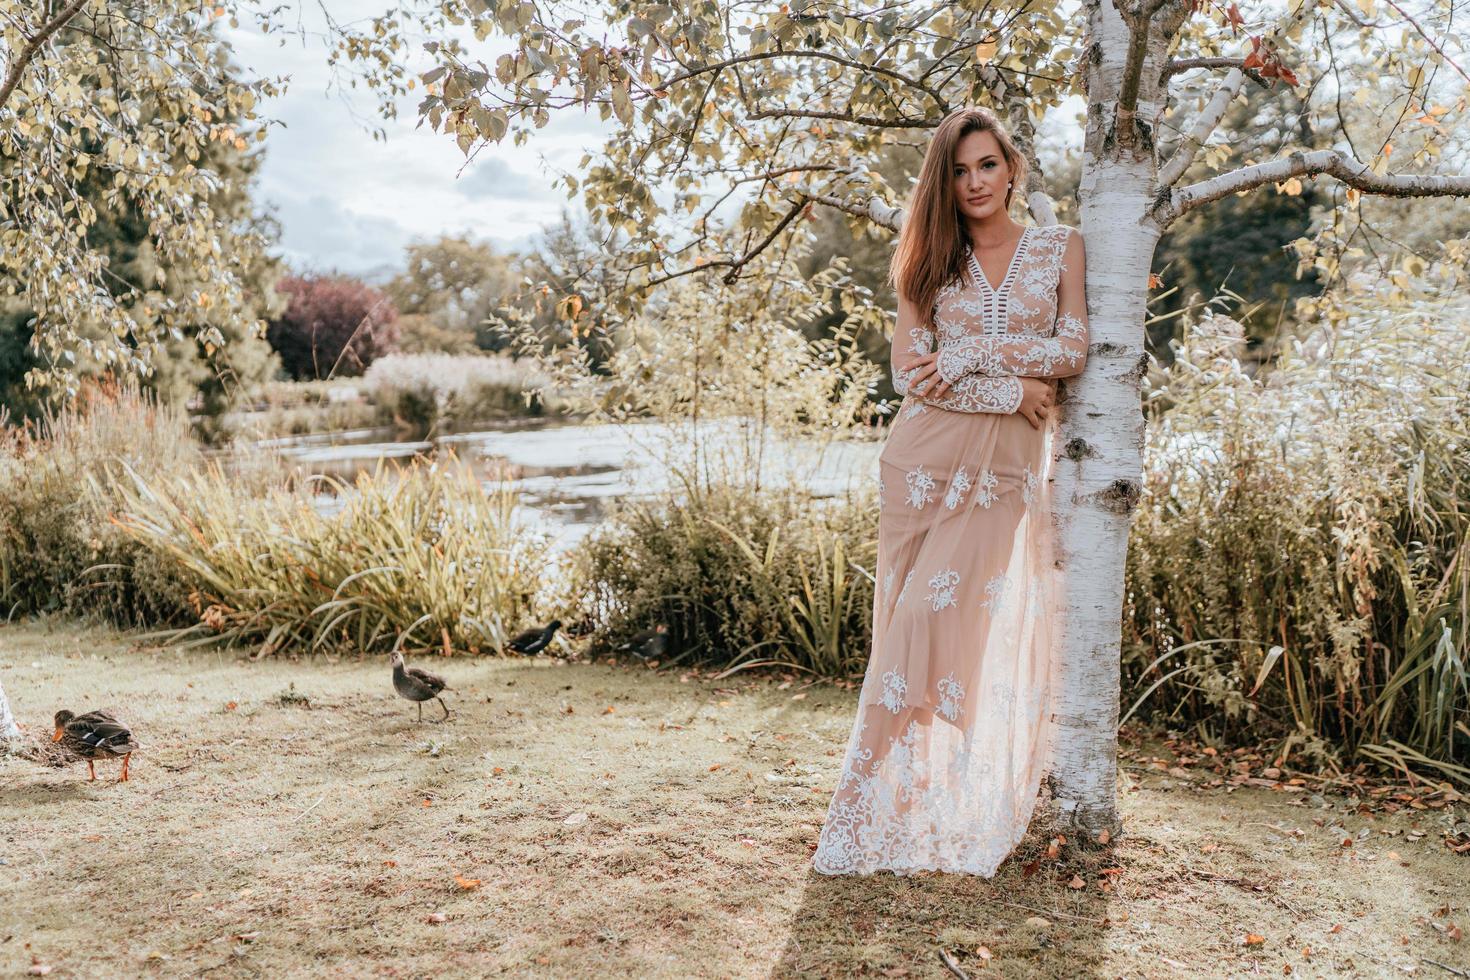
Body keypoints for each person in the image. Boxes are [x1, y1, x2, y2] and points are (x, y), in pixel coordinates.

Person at [812, 106, 1089, 876]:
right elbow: (911, 379)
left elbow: (1071, 348)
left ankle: (904, 804)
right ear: (945, 179)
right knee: (906, 635)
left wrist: (971, 355)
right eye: (960, 170)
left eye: (988, 166)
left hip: (1002, 476)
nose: (975, 182)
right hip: (920, 467)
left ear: (1013, 168)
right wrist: (1011, 391)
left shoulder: (1058, 247)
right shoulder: (925, 264)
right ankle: (866, 813)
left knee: (943, 637)